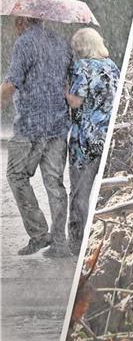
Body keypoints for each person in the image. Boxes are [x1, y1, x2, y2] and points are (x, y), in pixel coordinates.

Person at [0, 17, 73, 257]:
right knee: (54, 184)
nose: (13, 24)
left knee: (16, 176)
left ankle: (40, 234)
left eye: (15, 20)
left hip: (30, 127)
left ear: (22, 20)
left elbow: (12, 83)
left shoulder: (24, 43)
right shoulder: (61, 42)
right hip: (58, 126)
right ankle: (60, 241)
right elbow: (70, 82)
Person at [64, 28, 119, 255]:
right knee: (106, 192)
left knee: (80, 193)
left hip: (84, 142)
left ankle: (76, 245)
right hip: (107, 137)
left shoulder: (81, 68)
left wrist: (65, 90)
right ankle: (103, 240)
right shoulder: (112, 66)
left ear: (80, 48)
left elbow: (76, 102)